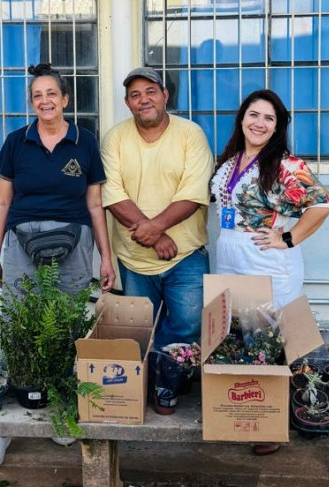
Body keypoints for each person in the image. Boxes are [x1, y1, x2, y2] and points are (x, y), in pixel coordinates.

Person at [0, 63, 116, 469]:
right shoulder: (16, 143)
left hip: (74, 244)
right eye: (37, 95)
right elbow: (3, 202)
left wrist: (106, 257)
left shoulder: (85, 142)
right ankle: (4, 429)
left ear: (65, 99)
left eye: (51, 94)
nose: (45, 101)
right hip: (21, 244)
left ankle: (60, 409)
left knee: (66, 327)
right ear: (32, 102)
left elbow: (95, 204)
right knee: (21, 328)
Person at [211, 89, 329, 454]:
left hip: (266, 259)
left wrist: (288, 238)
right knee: (238, 336)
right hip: (229, 254)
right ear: (242, 118)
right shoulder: (231, 159)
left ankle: (272, 421)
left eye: (269, 118)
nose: (259, 123)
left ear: (278, 126)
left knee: (272, 340)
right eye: (253, 114)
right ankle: (244, 411)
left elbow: (322, 205)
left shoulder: (286, 164)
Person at [101, 67, 213, 408]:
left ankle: (167, 383)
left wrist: (156, 230)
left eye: (150, 91)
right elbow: (112, 193)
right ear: (127, 103)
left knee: (188, 324)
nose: (143, 99)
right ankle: (140, 385)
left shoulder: (191, 134)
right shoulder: (115, 138)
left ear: (165, 95)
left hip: (187, 253)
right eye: (135, 95)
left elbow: (194, 193)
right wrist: (154, 237)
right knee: (139, 329)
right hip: (133, 257)